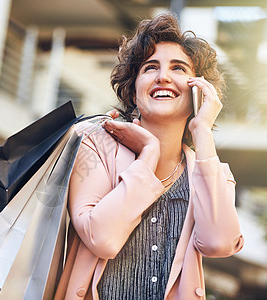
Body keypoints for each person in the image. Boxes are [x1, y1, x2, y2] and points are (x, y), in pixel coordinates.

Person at [54, 13, 244, 300]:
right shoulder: (97, 146)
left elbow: (219, 243)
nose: (163, 76)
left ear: (199, 92)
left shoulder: (209, 171)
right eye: (150, 67)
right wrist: (148, 155)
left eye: (178, 68)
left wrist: (202, 131)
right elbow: (101, 238)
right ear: (133, 90)